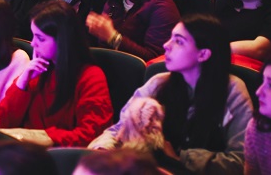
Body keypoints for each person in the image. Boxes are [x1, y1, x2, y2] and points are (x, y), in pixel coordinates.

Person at [90, 15, 253, 174]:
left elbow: (242, 161)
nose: (166, 45)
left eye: (179, 42)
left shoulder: (232, 90)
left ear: (203, 54)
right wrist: (102, 149)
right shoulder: (159, 83)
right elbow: (120, 129)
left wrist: (180, 156)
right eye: (171, 38)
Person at [0, 1, 112, 147]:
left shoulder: (91, 77)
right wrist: (22, 82)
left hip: (58, 158)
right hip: (25, 150)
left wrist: (47, 136)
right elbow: (4, 120)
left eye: (41, 38)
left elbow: (91, 135)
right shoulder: (38, 68)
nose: (33, 44)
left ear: (63, 41)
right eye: (33, 36)